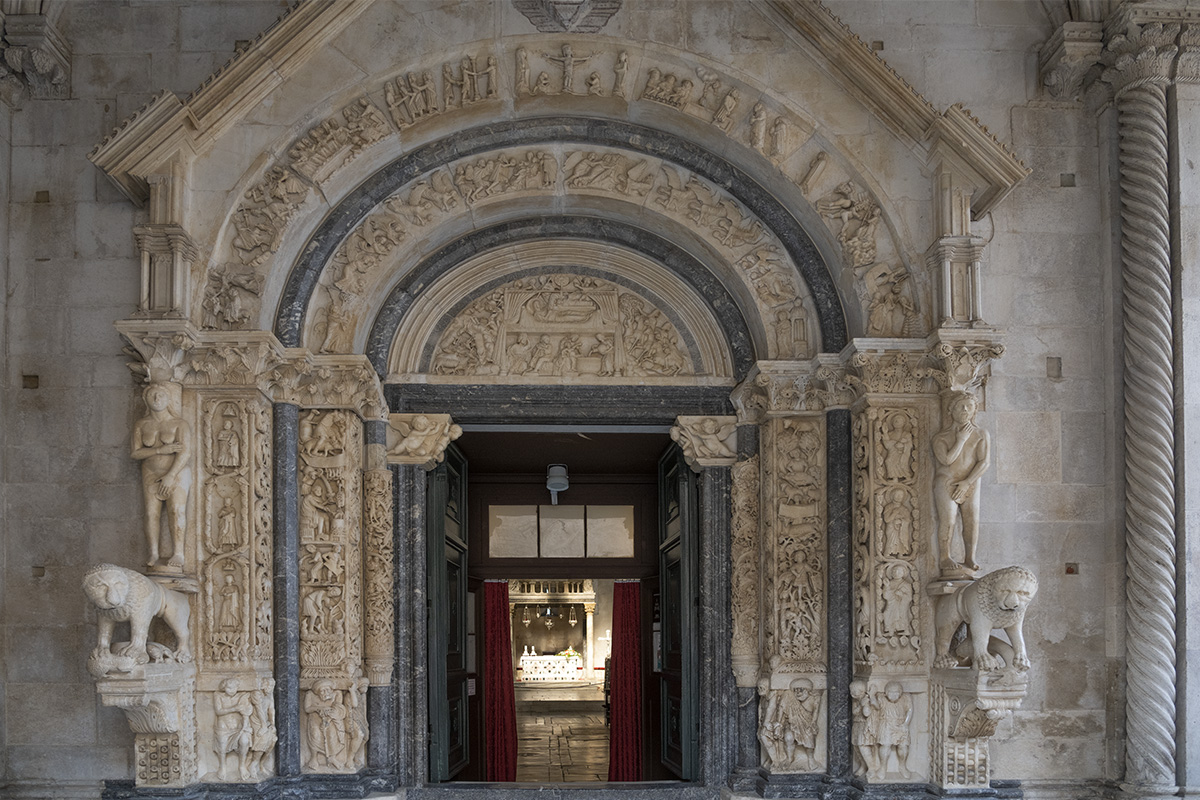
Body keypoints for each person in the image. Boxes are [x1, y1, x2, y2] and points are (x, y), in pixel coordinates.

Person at [131, 382, 192, 569]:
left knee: (176, 510)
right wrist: (160, 450)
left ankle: (179, 553)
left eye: (161, 395)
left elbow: (185, 452)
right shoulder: (142, 424)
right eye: (153, 395)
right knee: (151, 513)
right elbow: (135, 453)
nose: (157, 399)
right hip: (150, 472)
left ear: (168, 400)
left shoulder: (179, 424)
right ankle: (154, 553)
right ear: (146, 399)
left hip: (177, 472)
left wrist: (171, 475)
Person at [932, 390, 990, 575]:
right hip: (947, 481)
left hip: (970, 481)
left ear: (975, 410)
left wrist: (967, 482)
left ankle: (970, 557)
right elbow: (947, 460)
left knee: (972, 519)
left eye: (970, 406)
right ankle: (944, 556)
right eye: (961, 406)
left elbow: (984, 462)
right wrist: (961, 440)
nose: (965, 409)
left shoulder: (981, 434)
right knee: (948, 518)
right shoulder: (941, 437)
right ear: (951, 410)